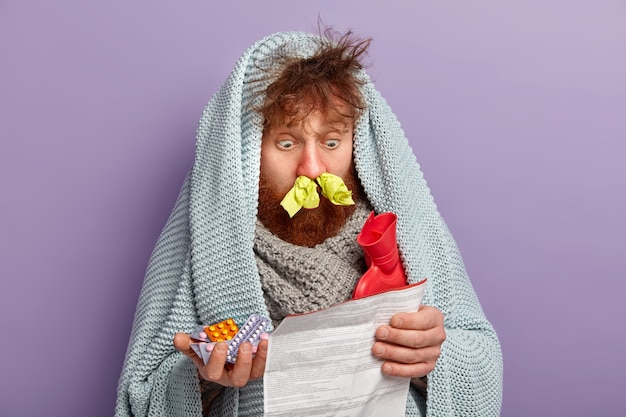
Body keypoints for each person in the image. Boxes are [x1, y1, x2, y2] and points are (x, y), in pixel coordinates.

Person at [115, 29, 503, 417]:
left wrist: (430, 357)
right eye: (287, 142)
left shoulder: (408, 235)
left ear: (357, 141)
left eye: (332, 142)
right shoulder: (206, 239)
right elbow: (141, 395)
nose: (312, 170)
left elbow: (482, 362)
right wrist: (203, 379)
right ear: (248, 150)